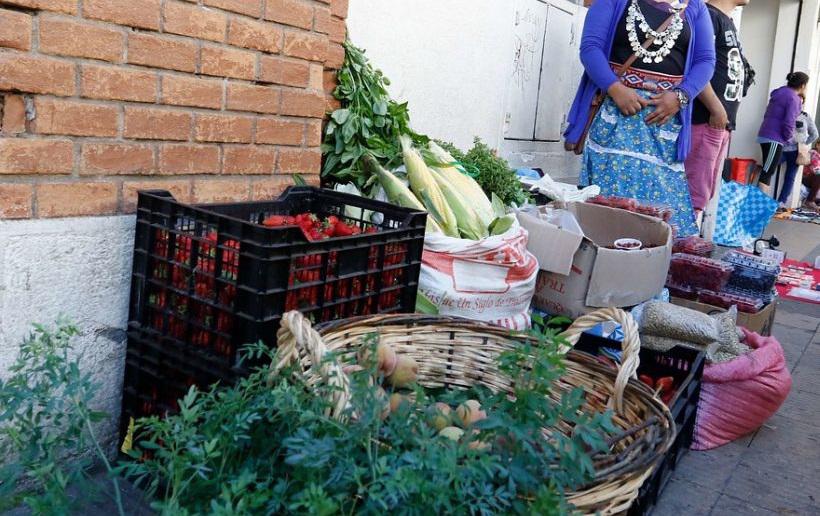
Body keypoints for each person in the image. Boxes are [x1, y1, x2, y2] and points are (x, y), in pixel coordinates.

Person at [565, 0, 716, 237]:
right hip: (616, 116)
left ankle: (652, 258)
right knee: (608, 207)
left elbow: (706, 60)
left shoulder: (695, 6)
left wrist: (681, 96)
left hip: (664, 123)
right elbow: (591, 47)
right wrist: (614, 88)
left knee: (662, 213)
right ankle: (606, 256)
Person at [685, 0, 750, 223]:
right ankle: (680, 237)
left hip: (719, 121)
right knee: (695, 189)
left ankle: (686, 234)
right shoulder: (709, 16)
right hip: (706, 118)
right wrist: (715, 107)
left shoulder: (724, 20)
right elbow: (696, 65)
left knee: (706, 188)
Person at [755, 72, 809, 187]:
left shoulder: (780, 92)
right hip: (774, 138)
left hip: (765, 134)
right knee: (768, 172)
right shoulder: (794, 98)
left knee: (767, 170)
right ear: (803, 85)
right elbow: (789, 122)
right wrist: (788, 138)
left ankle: (760, 198)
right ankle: (758, 199)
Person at [777, 95, 818, 207]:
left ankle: (781, 202)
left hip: (796, 152)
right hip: (780, 149)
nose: (798, 104)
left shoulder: (805, 117)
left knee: (790, 177)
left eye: (801, 102)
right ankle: (763, 196)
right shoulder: (783, 113)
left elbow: (814, 134)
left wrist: (803, 143)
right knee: (768, 170)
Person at [803, 140, 820, 211]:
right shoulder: (814, 154)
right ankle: (810, 201)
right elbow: (816, 170)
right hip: (806, 177)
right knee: (819, 176)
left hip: (812, 179)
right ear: (817, 145)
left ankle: (816, 201)